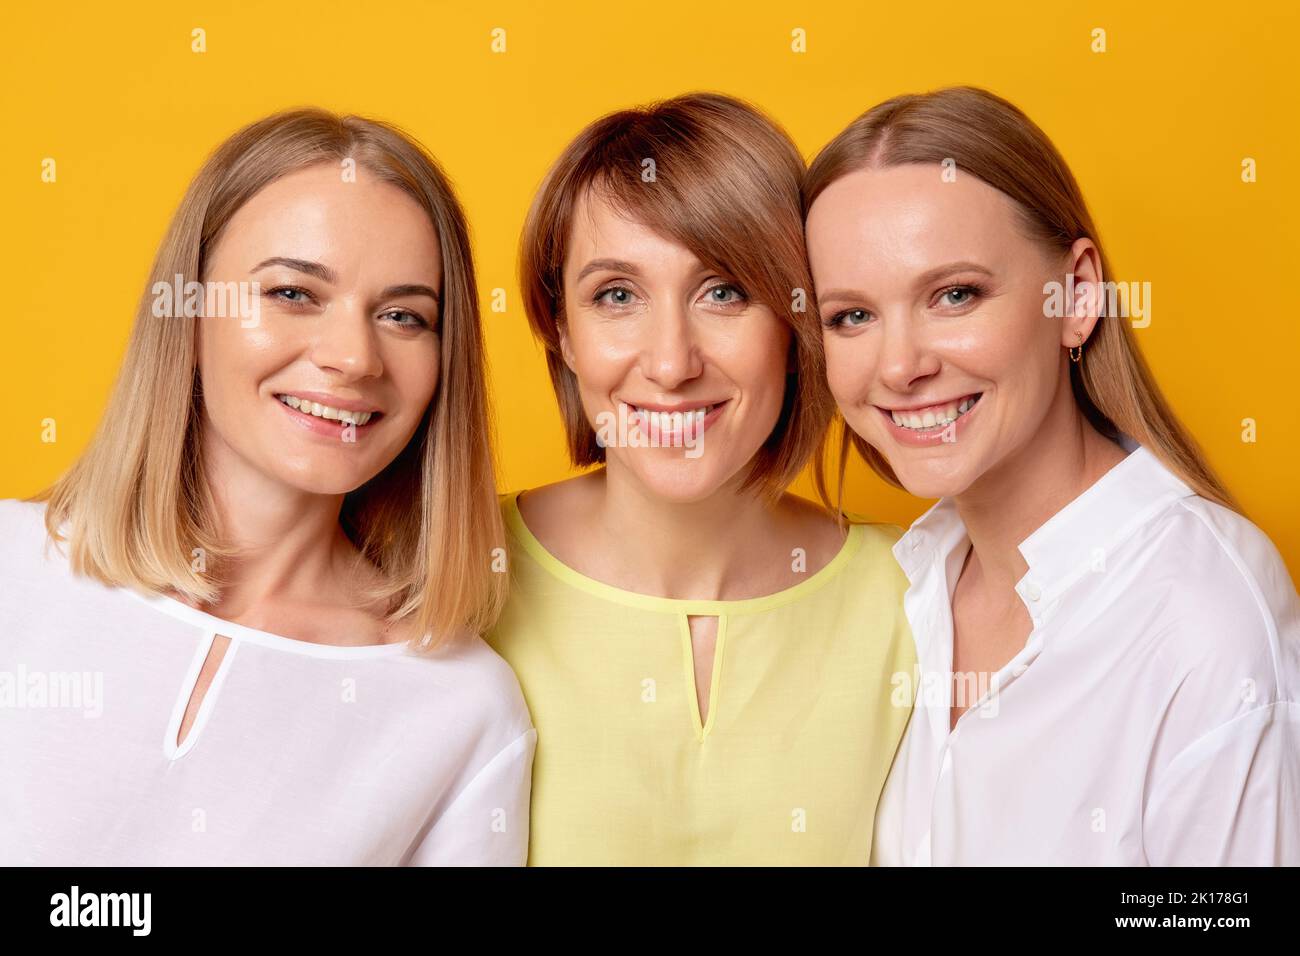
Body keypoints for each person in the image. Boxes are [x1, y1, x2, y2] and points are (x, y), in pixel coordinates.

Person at [0, 109, 535, 865]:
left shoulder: (463, 710)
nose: (354, 357)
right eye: (292, 293)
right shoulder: (10, 568)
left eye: (403, 316)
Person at [804, 85, 1299, 865]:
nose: (900, 367)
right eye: (852, 316)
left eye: (955, 294)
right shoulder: (907, 584)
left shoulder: (1203, 619)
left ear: (1076, 296)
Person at [486, 92, 915, 865]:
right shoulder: (455, 572)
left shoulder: (919, 597)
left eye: (724, 292)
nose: (672, 362)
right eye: (616, 295)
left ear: (795, 323)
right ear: (562, 332)